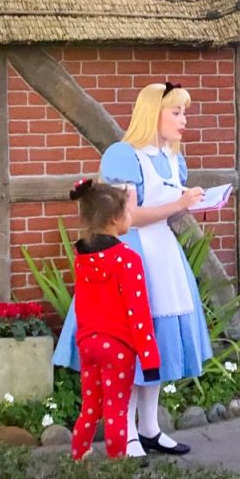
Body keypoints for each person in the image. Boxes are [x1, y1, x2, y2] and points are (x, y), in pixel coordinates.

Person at [52, 82, 211, 457]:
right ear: (152, 112)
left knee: (154, 338)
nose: (183, 120)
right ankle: (124, 432)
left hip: (164, 256)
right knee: (128, 340)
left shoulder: (173, 157)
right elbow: (128, 217)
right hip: (131, 257)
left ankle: (150, 427)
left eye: (183, 112)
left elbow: (168, 207)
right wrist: (179, 204)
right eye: (176, 112)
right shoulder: (123, 156)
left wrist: (192, 203)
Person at [68, 179, 161, 461]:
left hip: (88, 343)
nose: (131, 216)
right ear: (114, 219)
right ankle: (116, 472)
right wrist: (150, 359)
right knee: (116, 412)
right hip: (117, 347)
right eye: (128, 211)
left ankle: (78, 459)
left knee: (90, 409)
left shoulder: (82, 259)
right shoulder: (127, 259)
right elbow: (138, 312)